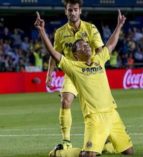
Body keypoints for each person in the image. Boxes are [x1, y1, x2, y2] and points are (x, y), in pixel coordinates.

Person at [35, 10, 133, 157]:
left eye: (86, 45)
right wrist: (42, 31)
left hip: (112, 113)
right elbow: (54, 53)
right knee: (87, 155)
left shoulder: (98, 60)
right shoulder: (74, 68)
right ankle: (61, 153)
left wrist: (119, 25)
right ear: (76, 55)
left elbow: (111, 44)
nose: (86, 47)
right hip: (94, 116)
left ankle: (103, 146)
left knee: (129, 152)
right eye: (82, 47)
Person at [45, 0, 107, 149]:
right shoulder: (60, 32)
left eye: (75, 10)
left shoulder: (90, 28)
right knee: (65, 101)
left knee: (98, 108)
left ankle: (106, 137)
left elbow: (100, 50)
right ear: (66, 11)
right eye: (70, 10)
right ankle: (66, 140)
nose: (72, 12)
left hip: (89, 73)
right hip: (71, 73)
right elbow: (55, 54)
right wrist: (49, 75)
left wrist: (97, 67)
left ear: (80, 11)